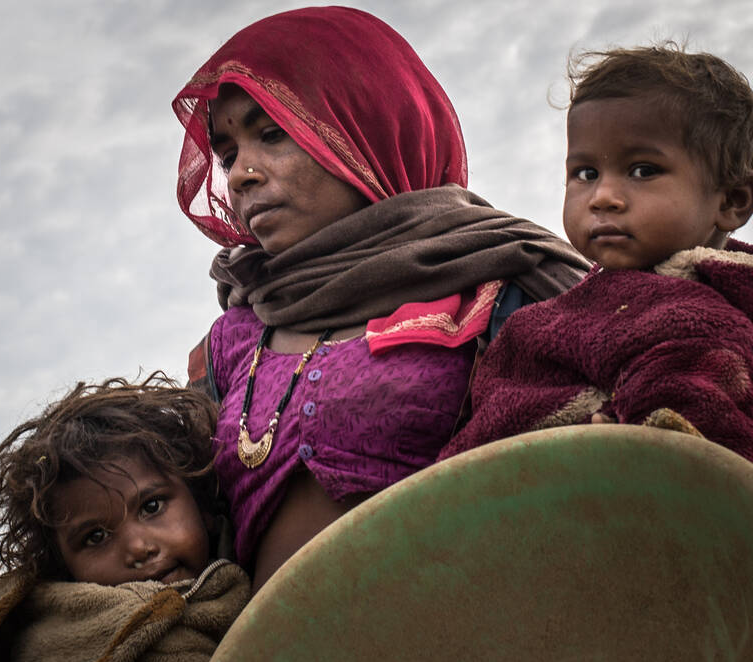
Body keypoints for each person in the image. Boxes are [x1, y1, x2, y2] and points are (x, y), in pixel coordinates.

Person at [174, 7, 588, 590]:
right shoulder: (232, 340)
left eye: (271, 134)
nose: (241, 173)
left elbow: (593, 484)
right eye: (227, 154)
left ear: (362, 127)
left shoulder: (502, 283)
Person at [439, 44, 753, 494]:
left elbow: (704, 468)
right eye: (586, 173)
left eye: (643, 170)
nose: (603, 197)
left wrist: (634, 455)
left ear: (733, 201)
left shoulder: (696, 322)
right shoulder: (593, 301)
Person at [0, 374, 250, 662]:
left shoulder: (259, 571)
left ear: (201, 503)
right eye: (96, 537)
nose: (138, 548)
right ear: (64, 569)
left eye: (152, 506)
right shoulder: (45, 652)